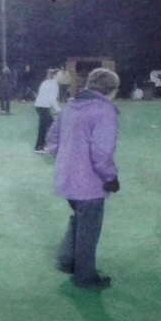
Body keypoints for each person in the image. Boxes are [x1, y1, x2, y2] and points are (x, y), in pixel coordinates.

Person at [46, 67, 122, 290]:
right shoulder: (104, 111)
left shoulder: (71, 106)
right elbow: (101, 152)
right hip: (89, 183)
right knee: (89, 228)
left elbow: (52, 139)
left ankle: (66, 259)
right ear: (112, 90)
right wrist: (110, 177)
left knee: (79, 219)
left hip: (66, 178)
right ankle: (85, 276)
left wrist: (68, 160)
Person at [33, 68, 63, 152]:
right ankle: (41, 147)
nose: (61, 76)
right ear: (55, 75)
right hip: (44, 107)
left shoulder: (46, 82)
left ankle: (41, 146)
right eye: (60, 75)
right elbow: (52, 100)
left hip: (39, 106)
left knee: (45, 127)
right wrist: (59, 110)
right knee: (49, 127)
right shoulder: (54, 85)